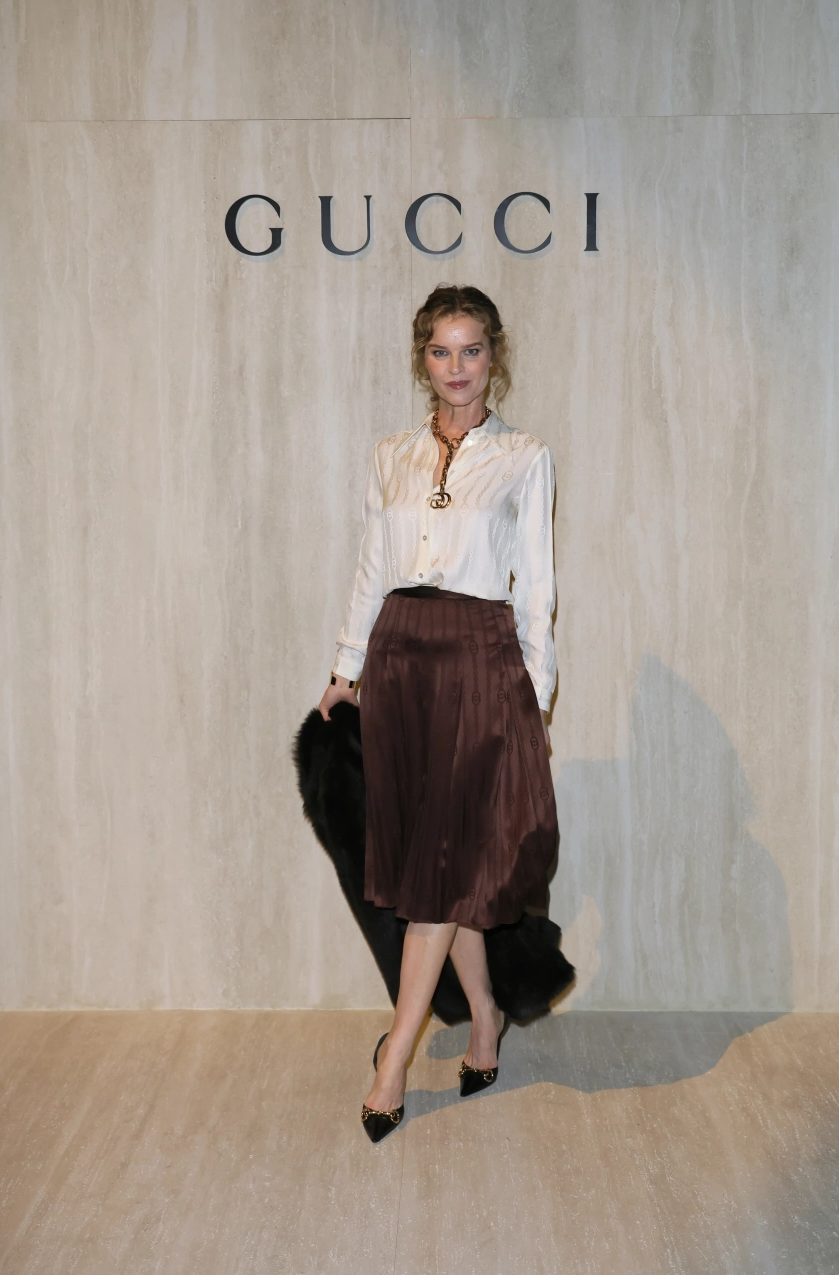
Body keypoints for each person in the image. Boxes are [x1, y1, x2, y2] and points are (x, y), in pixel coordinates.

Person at [318, 284, 559, 1143]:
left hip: (480, 662)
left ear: (495, 355)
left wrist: (535, 696)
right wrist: (345, 668)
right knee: (438, 865)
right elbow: (369, 567)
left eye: (472, 350)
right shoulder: (391, 454)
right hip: (399, 660)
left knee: (437, 870)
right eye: (441, 351)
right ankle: (485, 1016)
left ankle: (395, 1059)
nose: (458, 367)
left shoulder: (525, 456)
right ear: (422, 359)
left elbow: (539, 590)